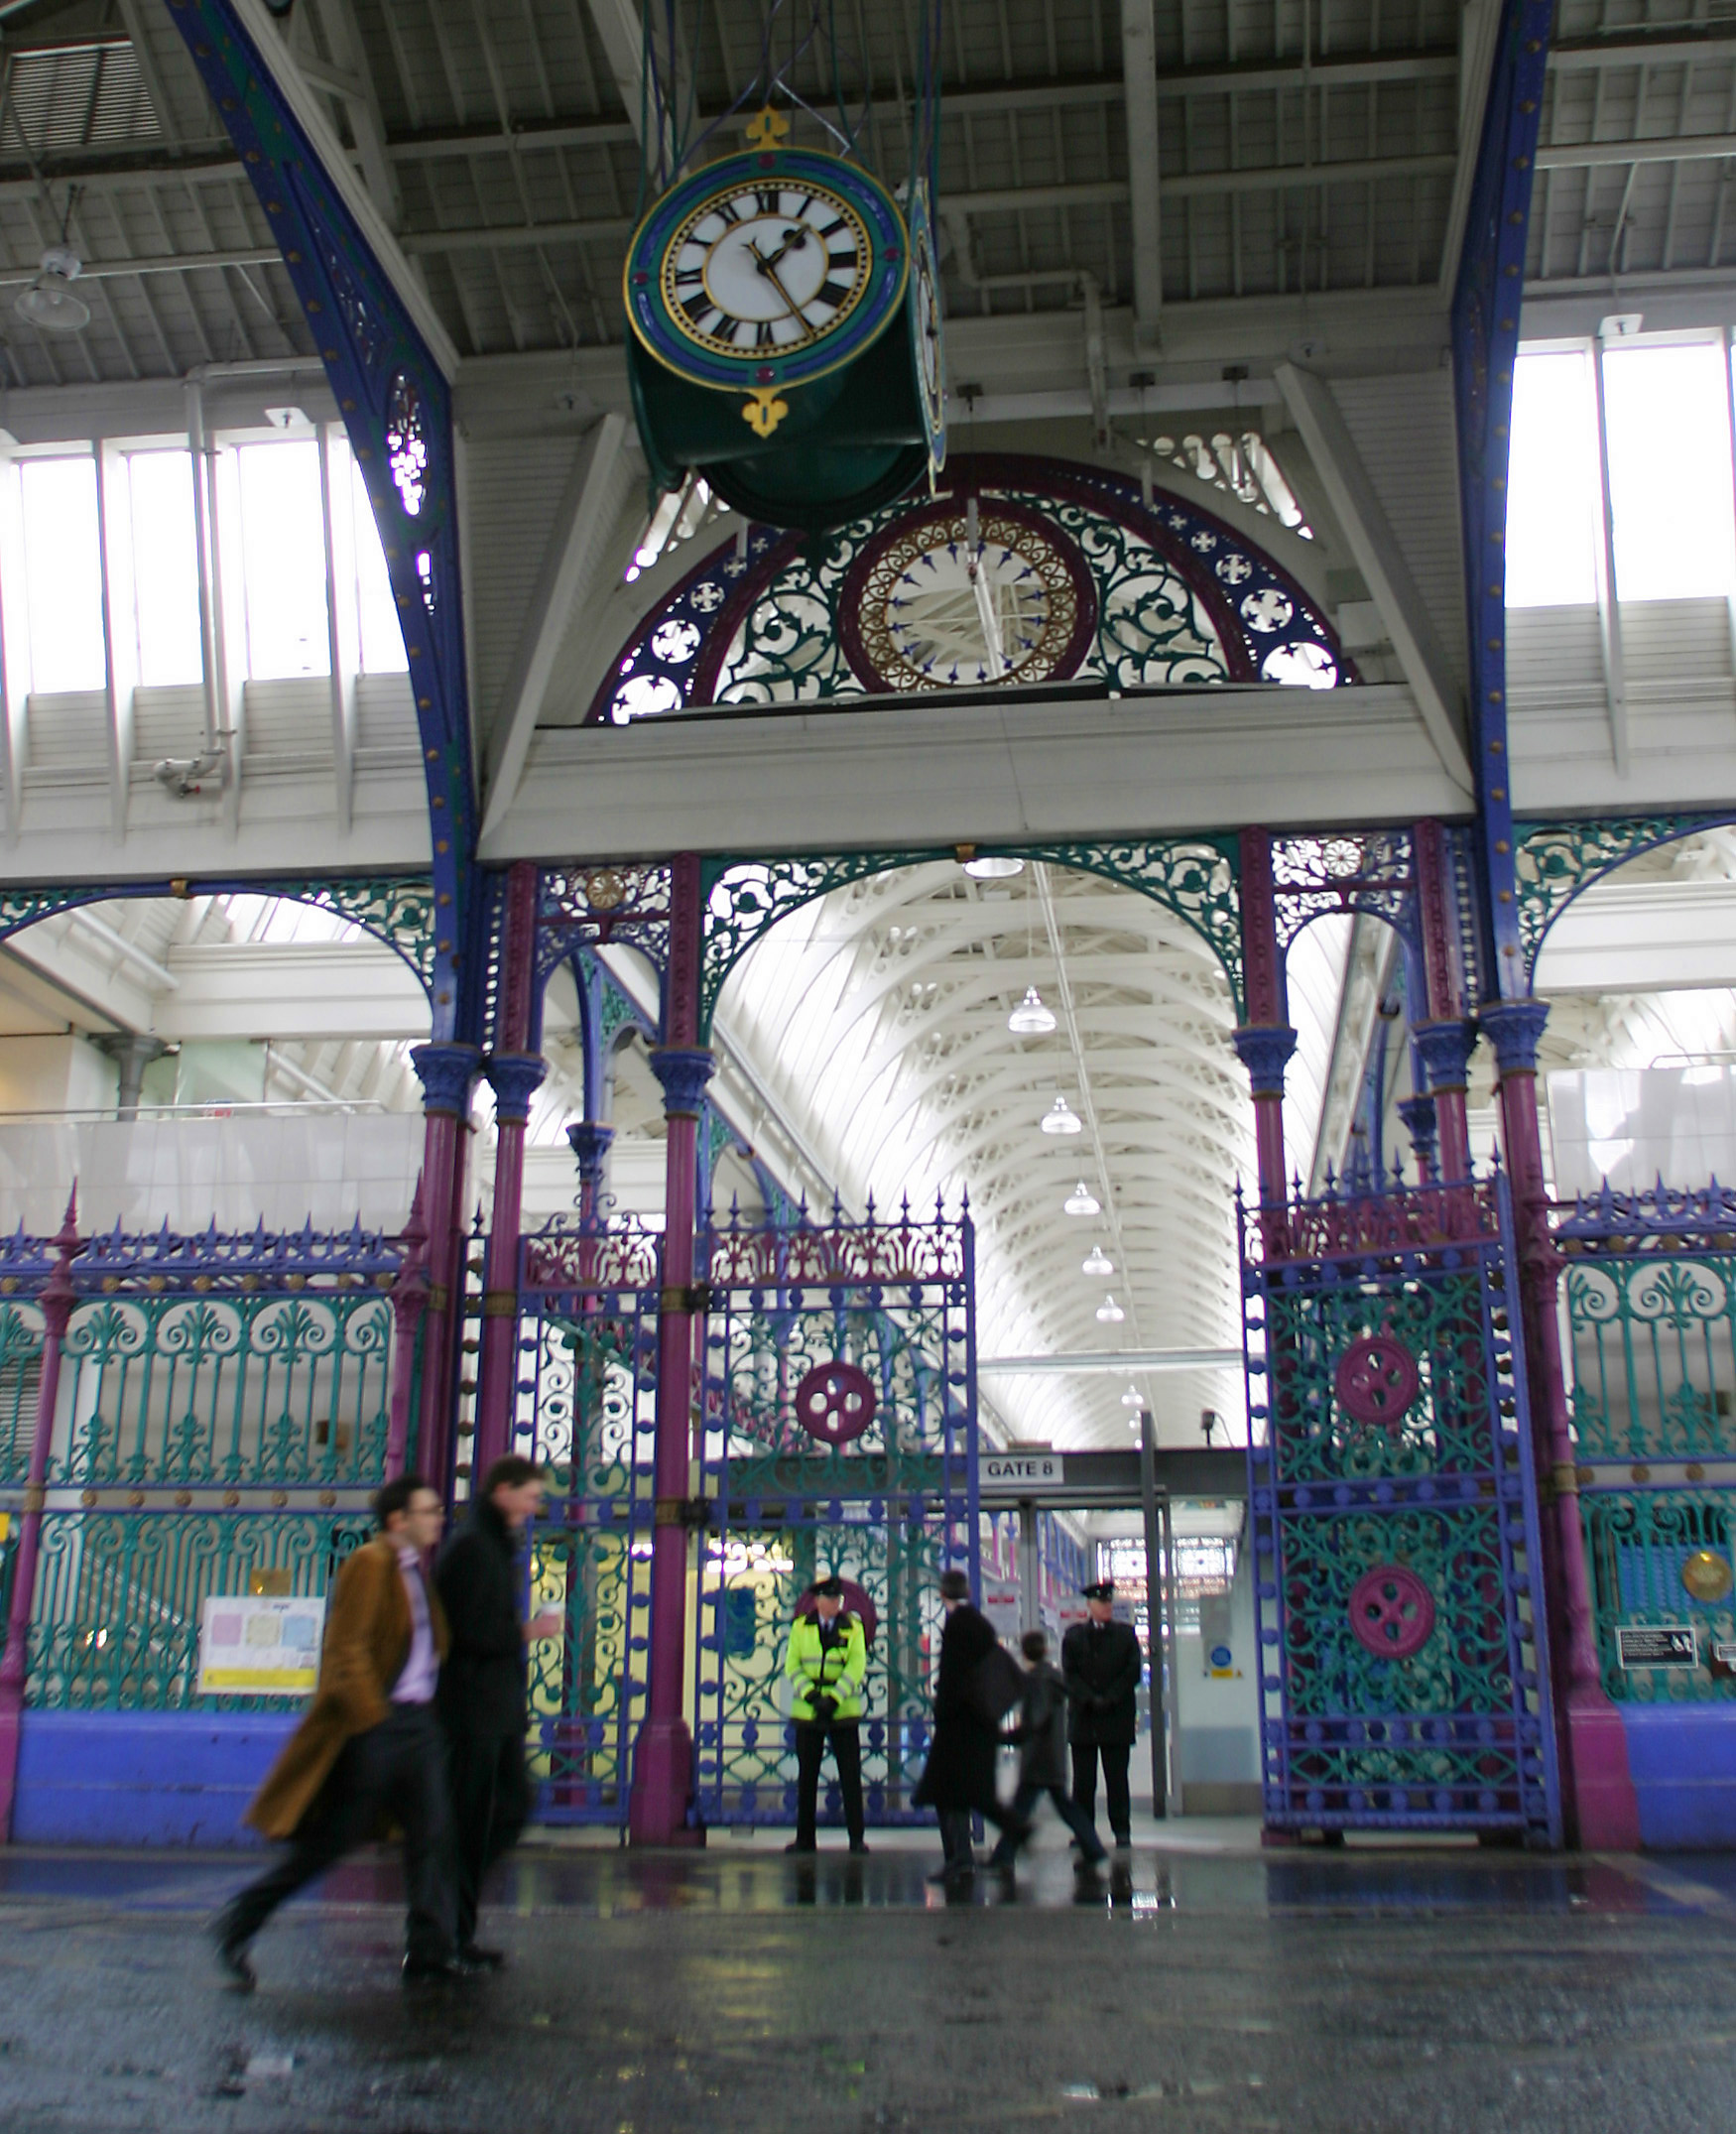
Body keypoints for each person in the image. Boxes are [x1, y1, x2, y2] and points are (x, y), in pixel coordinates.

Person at [210, 1472, 468, 1989]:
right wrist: (374, 1720)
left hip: (418, 1725)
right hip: (382, 1724)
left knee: (434, 1835)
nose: (439, 1518)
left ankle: (429, 1953)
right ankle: (241, 1920)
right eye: (429, 1511)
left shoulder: (413, 1569)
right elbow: (347, 1650)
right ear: (399, 1519)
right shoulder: (370, 1565)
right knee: (333, 1840)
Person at [434, 1452, 563, 1967]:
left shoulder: (490, 1545)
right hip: (472, 1711)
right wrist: (527, 1631)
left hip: (494, 1710)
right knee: (475, 1823)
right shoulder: (472, 1548)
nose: (534, 1507)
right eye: (530, 1496)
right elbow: (465, 1632)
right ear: (503, 1490)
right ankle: (445, 1934)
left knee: (503, 1813)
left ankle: (454, 1930)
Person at [913, 1568, 1028, 1884]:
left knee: (951, 1795)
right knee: (962, 1793)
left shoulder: (958, 1625)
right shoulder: (980, 1624)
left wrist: (942, 1711)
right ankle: (966, 1855)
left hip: (960, 1725)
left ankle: (961, 1858)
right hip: (977, 1723)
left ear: (941, 1593)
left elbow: (953, 1679)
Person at [988, 1629, 1107, 1872]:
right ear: (1045, 1651)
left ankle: (1004, 1855)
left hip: (1039, 1758)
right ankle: (1093, 1848)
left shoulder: (1037, 1680)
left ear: (1023, 1653)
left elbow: (1036, 1718)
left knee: (1025, 1808)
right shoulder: (1052, 1678)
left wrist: (1011, 1736)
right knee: (1062, 1806)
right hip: (1051, 1756)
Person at [782, 1573, 868, 1856]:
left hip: (843, 1712)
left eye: (838, 1599)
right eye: (831, 1599)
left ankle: (856, 1839)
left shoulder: (852, 1628)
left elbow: (856, 1665)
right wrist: (811, 1696)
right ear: (818, 1601)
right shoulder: (800, 1628)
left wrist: (834, 1698)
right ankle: (805, 1839)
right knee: (807, 1777)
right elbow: (792, 1664)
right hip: (809, 1713)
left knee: (850, 1776)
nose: (835, 1603)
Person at [1062, 1578, 1144, 1849]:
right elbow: (1070, 1675)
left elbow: (1132, 1671)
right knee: (1083, 1782)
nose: (1107, 1606)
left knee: (1117, 1779)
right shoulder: (1074, 1636)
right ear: (1090, 1605)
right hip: (1084, 1718)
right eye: (1101, 1602)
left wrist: (1110, 1698)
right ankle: (1084, 1831)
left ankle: (1121, 1829)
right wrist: (1090, 1698)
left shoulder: (1125, 1635)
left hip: (1115, 1717)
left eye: (1109, 1601)